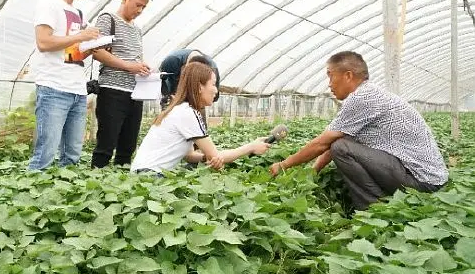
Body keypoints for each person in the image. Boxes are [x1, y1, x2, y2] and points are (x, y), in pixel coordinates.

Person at [270, 51, 448, 211]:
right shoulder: (369, 94)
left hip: (421, 181)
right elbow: (335, 138)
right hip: (427, 178)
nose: (329, 84)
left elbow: (324, 143)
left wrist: (283, 165)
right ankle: (380, 204)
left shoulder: (362, 98)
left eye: (331, 77)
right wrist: (313, 171)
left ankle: (374, 210)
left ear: (348, 75)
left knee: (341, 148)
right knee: (341, 145)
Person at [28, 0, 101, 171]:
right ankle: (31, 197)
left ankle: (63, 199)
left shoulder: (78, 13)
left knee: (73, 154)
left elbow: (72, 56)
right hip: (53, 88)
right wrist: (81, 37)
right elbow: (43, 42)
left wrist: (90, 48)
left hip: (77, 91)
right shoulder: (49, 4)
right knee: (46, 152)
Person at [131, 62, 270, 174]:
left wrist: (206, 158)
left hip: (141, 173)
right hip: (151, 175)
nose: (216, 90)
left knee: (194, 171)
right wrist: (251, 147)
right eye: (213, 84)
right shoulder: (188, 113)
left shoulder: (179, 109)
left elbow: (189, 155)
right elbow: (216, 156)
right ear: (199, 87)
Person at [90, 0, 153, 168]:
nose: (140, 10)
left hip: (135, 93)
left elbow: (135, 59)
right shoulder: (108, 19)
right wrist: (129, 66)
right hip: (112, 91)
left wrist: (142, 68)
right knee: (106, 145)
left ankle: (121, 189)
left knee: (128, 146)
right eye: (138, 5)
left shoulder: (137, 29)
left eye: (144, 7)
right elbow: (97, 51)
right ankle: (94, 185)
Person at [160, 49, 220, 120]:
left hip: (196, 99)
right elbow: (161, 79)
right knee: (170, 119)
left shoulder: (212, 67)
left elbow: (214, 95)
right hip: (173, 96)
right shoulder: (172, 61)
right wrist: (169, 97)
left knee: (198, 120)